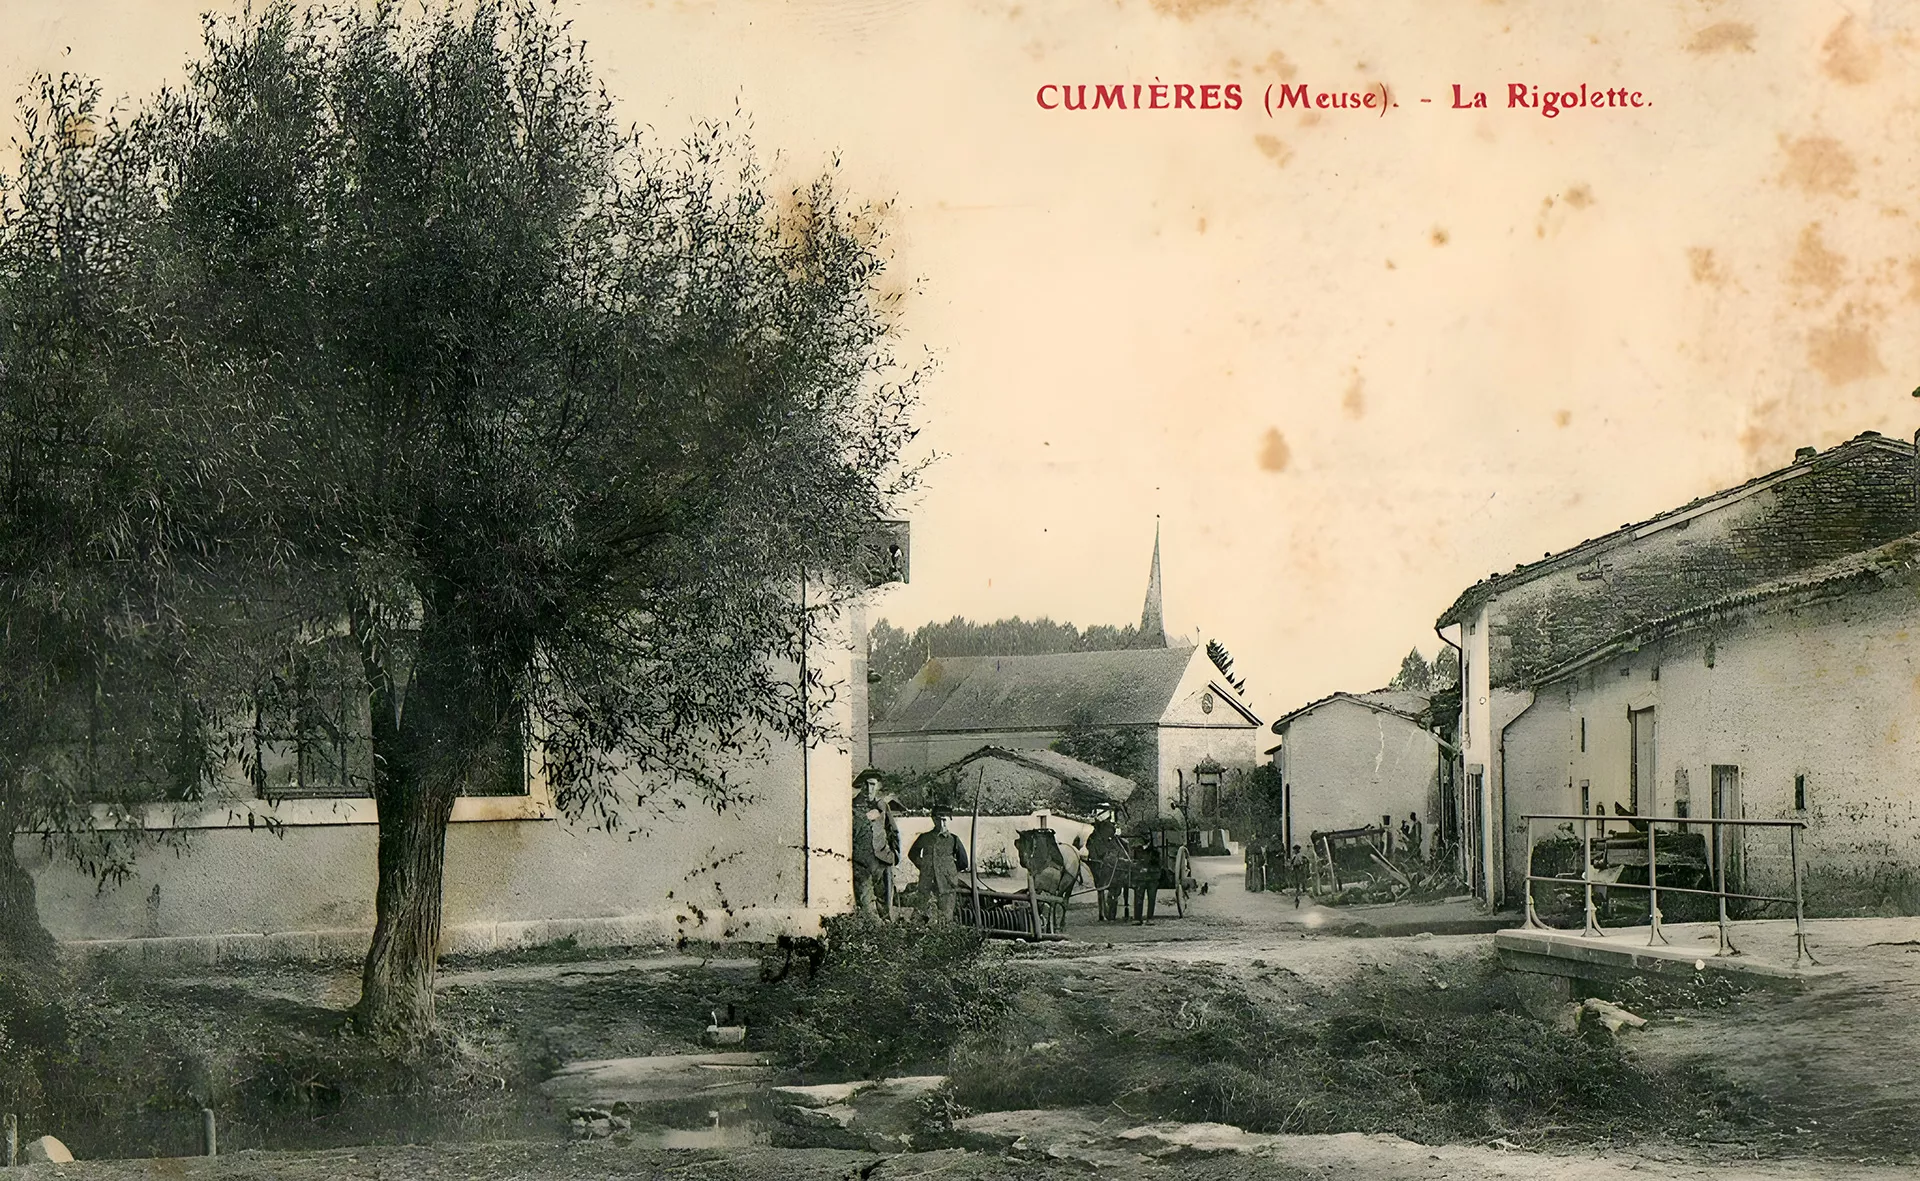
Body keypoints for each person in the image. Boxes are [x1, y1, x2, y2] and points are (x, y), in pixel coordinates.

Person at [909, 806, 969, 921]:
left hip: (946, 884)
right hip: (927, 882)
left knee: (946, 915)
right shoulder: (925, 838)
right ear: (933, 819)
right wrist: (924, 866)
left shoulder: (953, 839)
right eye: (938, 819)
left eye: (944, 820)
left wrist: (949, 870)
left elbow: (963, 862)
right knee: (922, 911)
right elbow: (912, 854)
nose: (941, 823)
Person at [851, 773, 899, 916]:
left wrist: (895, 855)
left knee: (886, 908)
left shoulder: (882, 805)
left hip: (883, 861)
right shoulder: (851, 807)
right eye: (865, 784)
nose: (869, 789)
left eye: (872, 784)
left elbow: (892, 830)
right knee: (867, 907)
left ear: (877, 786)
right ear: (860, 786)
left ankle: (887, 926)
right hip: (861, 864)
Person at [1288, 844, 1311, 908]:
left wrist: (1303, 864)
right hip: (1296, 868)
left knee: (1301, 878)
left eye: (1295, 849)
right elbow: (1292, 862)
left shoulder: (1301, 855)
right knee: (1297, 879)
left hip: (1300, 868)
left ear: (1298, 850)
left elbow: (1306, 860)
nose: (1294, 851)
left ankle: (1303, 888)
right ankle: (1298, 888)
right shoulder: (1294, 856)